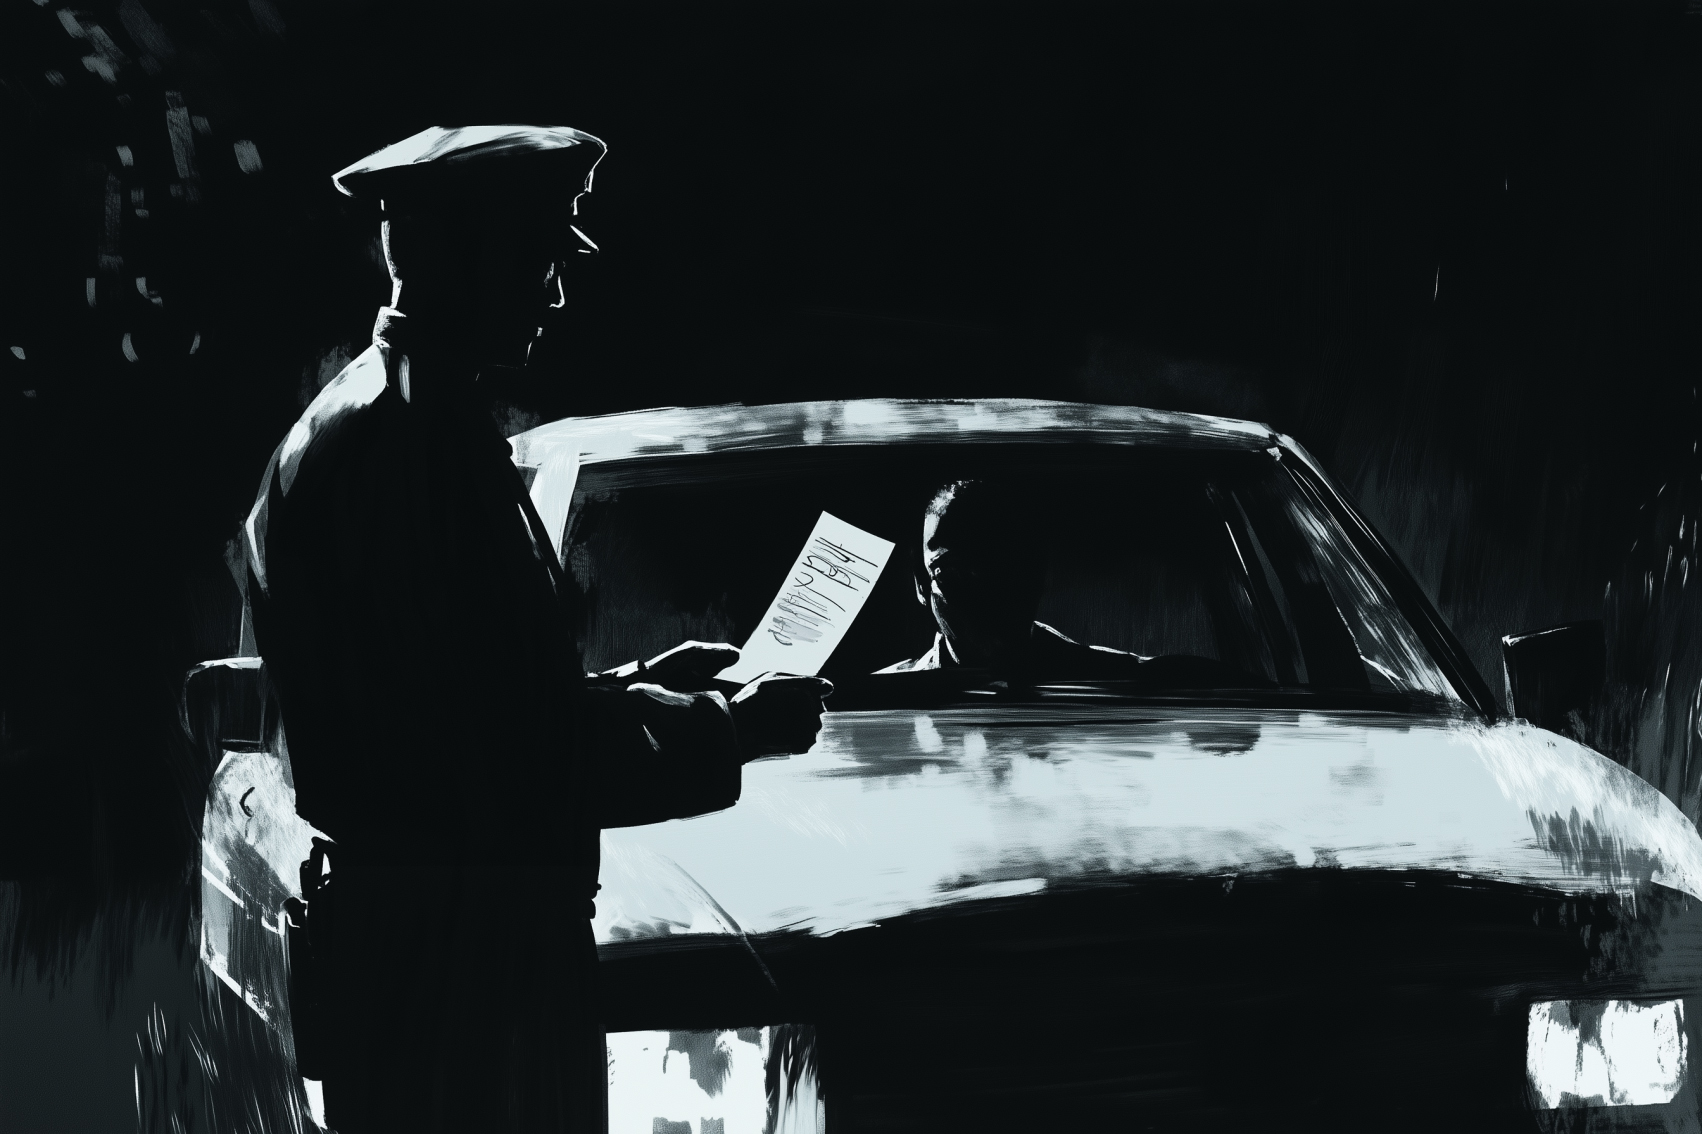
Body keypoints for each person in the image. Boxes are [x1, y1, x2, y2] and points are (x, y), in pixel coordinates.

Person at [243, 125, 828, 1133]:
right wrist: (727, 728)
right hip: (459, 976)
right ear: (438, 259)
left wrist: (647, 681)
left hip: (453, 961)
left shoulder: (409, 423)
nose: (554, 294)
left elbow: (469, 699)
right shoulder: (405, 450)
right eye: (535, 258)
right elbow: (498, 760)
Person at [877, 479, 1248, 686]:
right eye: (954, 572)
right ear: (922, 586)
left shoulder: (1121, 684)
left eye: (1006, 566)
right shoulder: (871, 703)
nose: (986, 592)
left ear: (1037, 573)